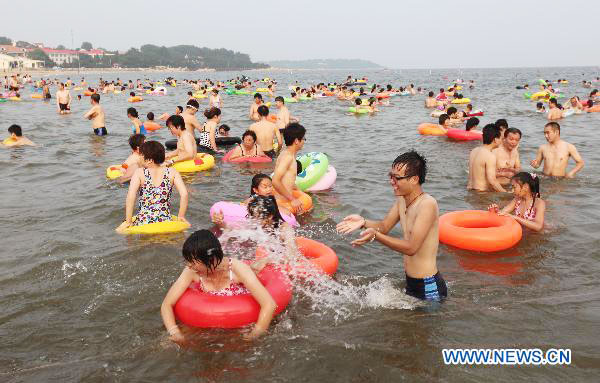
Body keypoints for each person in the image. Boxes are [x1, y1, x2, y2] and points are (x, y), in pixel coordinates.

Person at [336, 151, 447, 301]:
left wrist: (376, 236)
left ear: (414, 179)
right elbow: (384, 226)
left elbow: (411, 248)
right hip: (411, 282)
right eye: (391, 176)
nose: (392, 181)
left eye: (397, 178)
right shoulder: (402, 200)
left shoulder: (427, 204)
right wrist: (363, 222)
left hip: (428, 286)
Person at [160, 229, 277, 344]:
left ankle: (263, 261)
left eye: (193, 262)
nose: (189, 266)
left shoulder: (237, 270)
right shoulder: (191, 271)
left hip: (236, 321)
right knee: (166, 344)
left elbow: (269, 304)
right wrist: (174, 332)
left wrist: (254, 335)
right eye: (188, 261)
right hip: (208, 322)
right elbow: (167, 304)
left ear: (211, 259)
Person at [116, 141, 188, 232]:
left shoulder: (139, 172)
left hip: (144, 221)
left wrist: (128, 221)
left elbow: (131, 197)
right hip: (165, 220)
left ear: (149, 160)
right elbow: (184, 194)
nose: (139, 158)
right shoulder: (172, 172)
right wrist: (181, 216)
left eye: (141, 155)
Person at [272, 123, 305, 214]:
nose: (304, 141)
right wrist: (292, 199)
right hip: (282, 202)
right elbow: (275, 181)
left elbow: (286, 179)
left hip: (282, 199)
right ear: (296, 141)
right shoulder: (288, 157)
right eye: (303, 139)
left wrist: (298, 190)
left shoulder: (285, 153)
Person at [467, 124, 506, 192]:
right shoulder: (490, 156)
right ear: (495, 139)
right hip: (481, 194)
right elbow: (492, 181)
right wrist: (506, 193)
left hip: (470, 190)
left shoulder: (474, 150)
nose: (501, 141)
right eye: (501, 138)